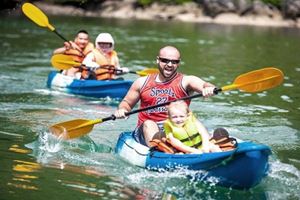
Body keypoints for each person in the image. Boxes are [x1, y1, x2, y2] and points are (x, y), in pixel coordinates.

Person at [114, 45, 216, 147]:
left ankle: (210, 146)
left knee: (193, 120)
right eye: (165, 60)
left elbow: (204, 85)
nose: (170, 64)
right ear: (158, 60)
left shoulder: (186, 81)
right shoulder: (142, 82)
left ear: (178, 63)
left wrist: (208, 88)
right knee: (149, 124)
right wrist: (123, 109)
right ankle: (159, 152)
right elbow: (126, 103)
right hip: (147, 130)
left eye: (174, 62)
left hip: (177, 126)